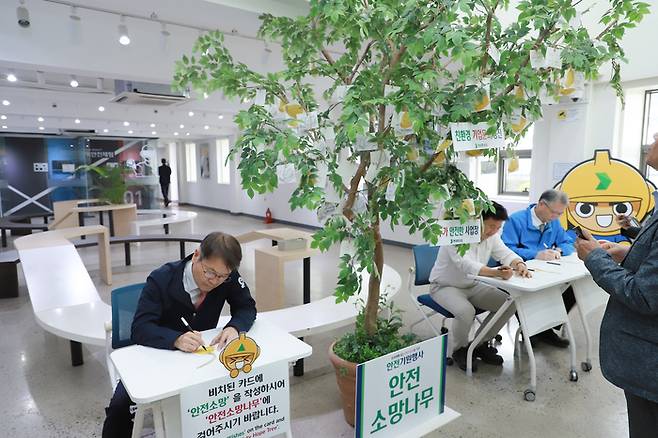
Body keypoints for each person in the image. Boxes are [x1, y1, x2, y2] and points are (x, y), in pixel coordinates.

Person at [102, 232, 257, 437]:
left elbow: (247, 307)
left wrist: (234, 327)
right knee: (120, 406)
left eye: (222, 276)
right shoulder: (161, 278)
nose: (214, 281)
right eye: (209, 272)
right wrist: (175, 339)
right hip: (155, 356)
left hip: (200, 360)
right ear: (196, 255)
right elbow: (140, 328)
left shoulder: (227, 278)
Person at [575, 135, 658, 438]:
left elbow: (645, 295)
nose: (652, 141)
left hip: (650, 367)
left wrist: (595, 258)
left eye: (657, 138)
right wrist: (631, 251)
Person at [429, 201, 531, 372]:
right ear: (477, 220)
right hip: (444, 287)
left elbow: (505, 253)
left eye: (498, 228)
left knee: (509, 303)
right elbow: (465, 264)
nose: (493, 231)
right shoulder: (456, 234)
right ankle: (459, 350)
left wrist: (519, 263)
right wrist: (496, 272)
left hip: (472, 285)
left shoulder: (493, 236)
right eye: (491, 226)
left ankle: (479, 344)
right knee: (465, 311)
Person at [501, 189, 575, 348]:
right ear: (542, 204)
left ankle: (546, 329)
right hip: (519, 272)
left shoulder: (553, 221)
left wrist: (559, 251)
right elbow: (505, 250)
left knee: (573, 289)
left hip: (546, 272)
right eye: (554, 212)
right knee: (527, 293)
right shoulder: (515, 220)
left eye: (560, 214)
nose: (556, 217)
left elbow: (568, 243)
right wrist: (535, 254)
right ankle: (533, 330)